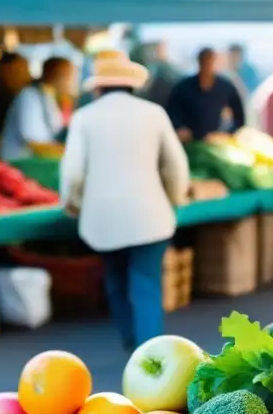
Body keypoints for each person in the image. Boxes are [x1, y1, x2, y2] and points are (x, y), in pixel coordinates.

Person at [60, 53, 190, 350]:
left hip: (102, 219)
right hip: (151, 214)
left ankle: (131, 345)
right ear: (133, 85)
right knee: (146, 285)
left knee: (116, 283)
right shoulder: (154, 113)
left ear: (97, 88)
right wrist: (173, 198)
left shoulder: (84, 117)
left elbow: (73, 173)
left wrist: (74, 203)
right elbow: (176, 167)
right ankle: (152, 356)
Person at [0, 56, 74, 162]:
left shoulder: (49, 97)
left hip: (37, 161)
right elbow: (34, 144)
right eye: (70, 76)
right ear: (58, 75)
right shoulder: (28, 97)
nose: (73, 81)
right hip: (20, 163)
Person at [166, 48, 245, 142]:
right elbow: (171, 111)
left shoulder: (225, 87)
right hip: (188, 141)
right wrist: (179, 127)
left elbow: (239, 116)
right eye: (205, 63)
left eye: (210, 63)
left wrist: (228, 133)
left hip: (215, 141)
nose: (208, 67)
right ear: (199, 63)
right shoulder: (183, 87)